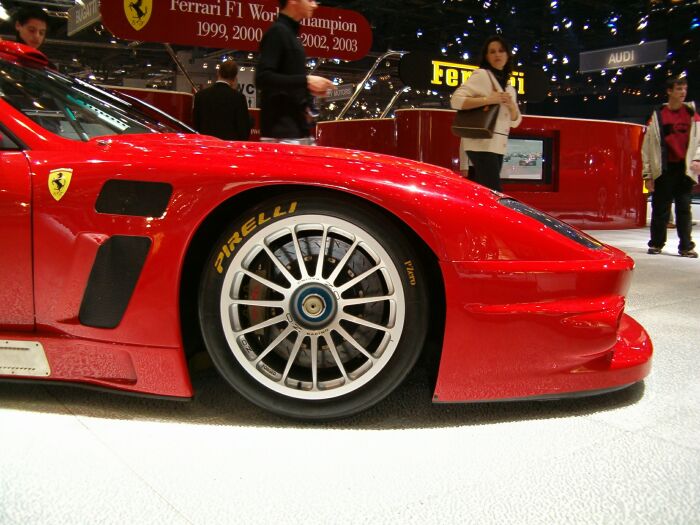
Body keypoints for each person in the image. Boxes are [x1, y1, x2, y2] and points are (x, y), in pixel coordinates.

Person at [255, 0, 333, 144]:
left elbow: (288, 81)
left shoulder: (290, 34)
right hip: (281, 136)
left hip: (295, 133)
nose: (314, 5)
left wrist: (307, 90)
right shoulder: (277, 32)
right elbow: (262, 78)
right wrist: (306, 81)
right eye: (309, 0)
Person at [450, 36, 522, 192]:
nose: (497, 55)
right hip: (481, 143)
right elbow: (456, 100)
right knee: (494, 192)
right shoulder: (482, 75)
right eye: (492, 52)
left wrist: (511, 107)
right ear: (486, 56)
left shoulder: (510, 88)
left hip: (498, 146)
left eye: (501, 51)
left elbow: (515, 122)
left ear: (508, 55)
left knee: (484, 192)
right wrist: (488, 99)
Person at [642, 76, 700, 258]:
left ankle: (686, 246)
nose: (683, 92)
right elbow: (647, 147)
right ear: (669, 91)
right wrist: (647, 174)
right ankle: (656, 244)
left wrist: (697, 159)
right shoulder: (657, 116)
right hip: (664, 170)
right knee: (660, 210)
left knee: (684, 209)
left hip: (684, 170)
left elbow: (698, 140)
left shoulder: (692, 114)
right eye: (678, 89)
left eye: (684, 89)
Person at [192, 59, 251, 141]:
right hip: (229, 148)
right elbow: (243, 130)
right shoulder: (239, 98)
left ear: (218, 73)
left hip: (206, 145)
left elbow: (196, 125)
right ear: (234, 77)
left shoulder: (200, 95)